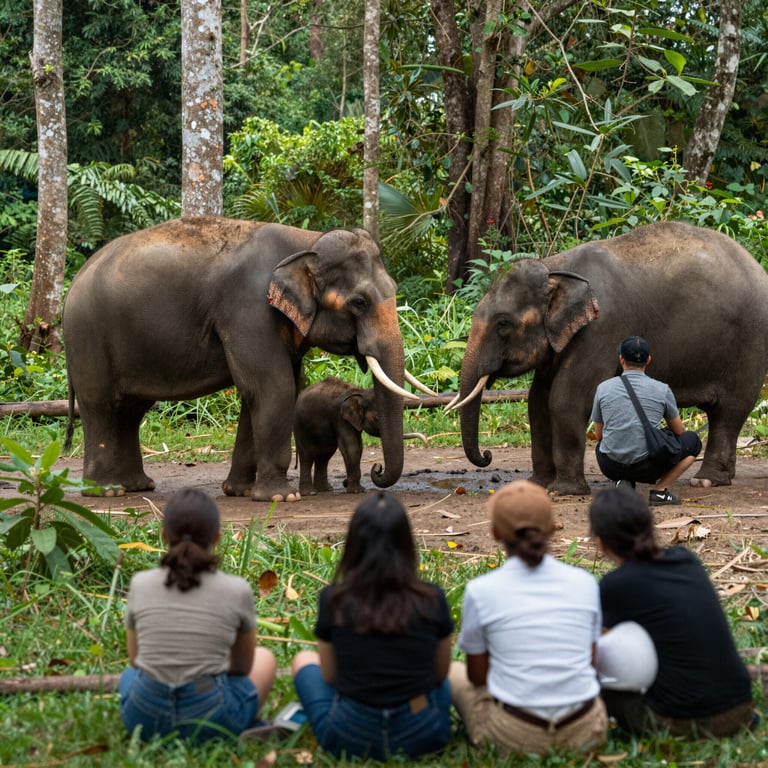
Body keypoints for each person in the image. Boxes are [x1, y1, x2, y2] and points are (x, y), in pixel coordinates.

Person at [290, 491, 453, 761]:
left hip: (349, 735)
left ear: (353, 545)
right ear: (406, 543)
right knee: (452, 678)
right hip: (423, 733)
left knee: (303, 660)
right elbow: (439, 673)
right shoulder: (431, 597)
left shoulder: (334, 599)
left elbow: (330, 677)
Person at [449, 480, 607, 755]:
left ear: (495, 532)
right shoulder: (584, 582)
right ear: (551, 528)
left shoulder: (481, 591)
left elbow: (477, 677)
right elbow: (590, 664)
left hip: (513, 734)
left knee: (452, 672)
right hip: (584, 731)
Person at [589, 487, 755, 737]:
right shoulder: (686, 560)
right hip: (740, 709)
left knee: (598, 690)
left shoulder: (616, 585)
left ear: (600, 542)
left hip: (682, 721)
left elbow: (595, 653)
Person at [119, 488, 277, 743]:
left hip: (145, 717)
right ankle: (235, 725)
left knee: (129, 677)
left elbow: (136, 660)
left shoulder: (140, 583)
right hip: (211, 719)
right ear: (217, 537)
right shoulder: (237, 590)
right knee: (265, 659)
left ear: (163, 535)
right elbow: (241, 668)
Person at [591, 335, 702, 506]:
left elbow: (599, 436)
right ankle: (660, 490)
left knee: (603, 446)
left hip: (610, 465)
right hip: (648, 468)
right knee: (693, 443)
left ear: (621, 359)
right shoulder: (662, 389)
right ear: (648, 360)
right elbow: (678, 431)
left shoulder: (603, 388)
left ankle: (623, 481)